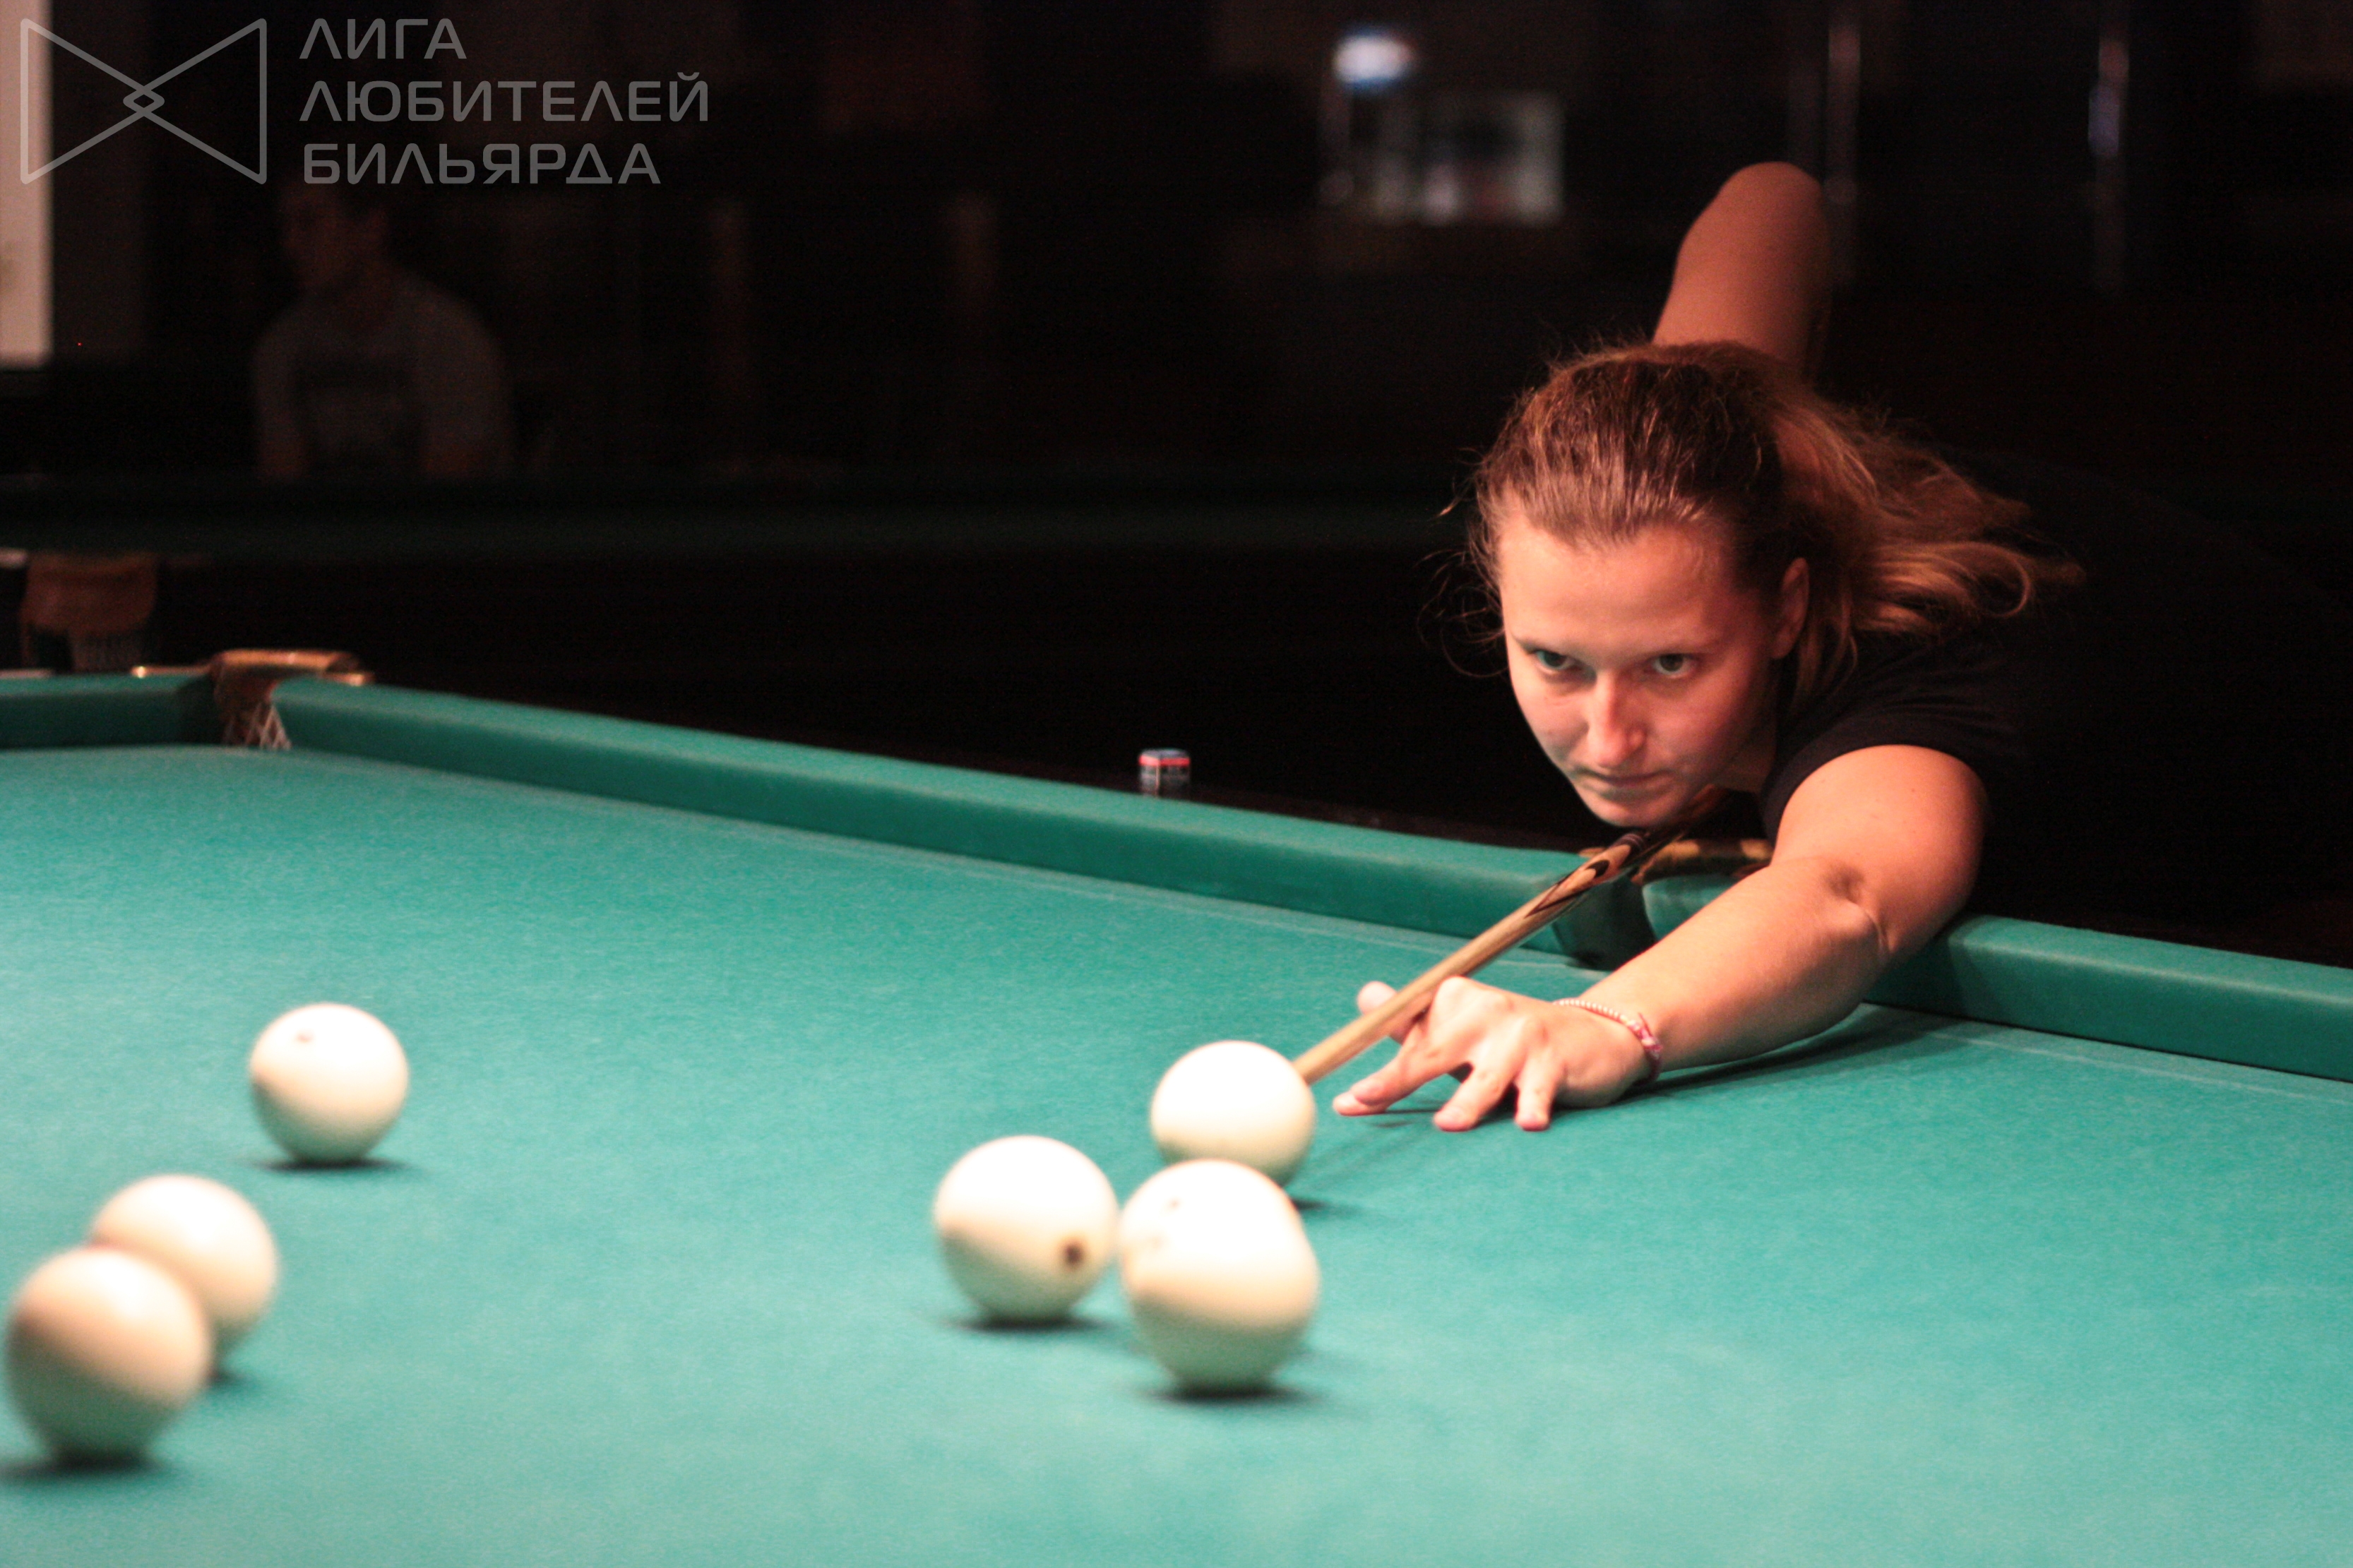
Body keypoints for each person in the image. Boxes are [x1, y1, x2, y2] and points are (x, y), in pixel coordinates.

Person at [1333, 162, 2353, 1132]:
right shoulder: (1704, 440)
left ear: (1785, 607)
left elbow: (1846, 894)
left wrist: (1603, 1024)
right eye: (1557, 661)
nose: (1608, 737)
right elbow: (1772, 197)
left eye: (1671, 664)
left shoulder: (1901, 690)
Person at [254, 182, 511, 479]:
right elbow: (284, 484)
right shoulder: (283, 346)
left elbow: (450, 491)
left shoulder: (449, 340)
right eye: (286, 226)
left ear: (371, 227)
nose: (291, 244)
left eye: (309, 223)